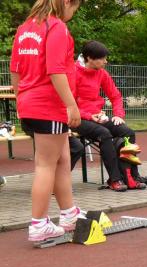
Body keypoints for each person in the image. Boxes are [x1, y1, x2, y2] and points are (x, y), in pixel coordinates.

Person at [10, 0, 84, 243]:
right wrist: (71, 104)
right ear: (66, 2)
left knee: (62, 158)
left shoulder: (25, 28)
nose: (73, 14)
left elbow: (15, 70)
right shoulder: (56, 27)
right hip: (48, 104)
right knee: (45, 165)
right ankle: (39, 223)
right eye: (74, 8)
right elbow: (55, 69)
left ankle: (69, 213)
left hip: (31, 102)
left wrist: (21, 99)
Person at [74, 40, 145, 191]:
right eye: (102, 58)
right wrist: (89, 116)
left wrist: (118, 115)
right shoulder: (73, 73)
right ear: (89, 58)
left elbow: (115, 96)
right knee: (104, 134)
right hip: (77, 118)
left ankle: (131, 177)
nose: (106, 61)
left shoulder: (101, 73)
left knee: (127, 132)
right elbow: (68, 104)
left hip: (97, 117)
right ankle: (114, 179)